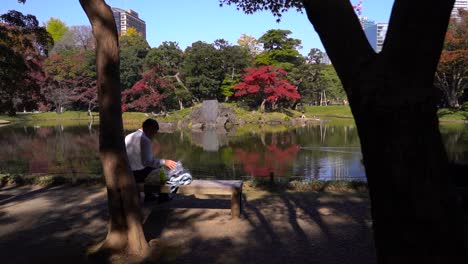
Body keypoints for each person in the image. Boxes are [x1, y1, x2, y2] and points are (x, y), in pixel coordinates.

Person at [125, 118, 177, 202]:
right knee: (161, 172)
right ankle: (163, 197)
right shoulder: (145, 140)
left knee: (150, 169)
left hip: (127, 172)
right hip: (137, 175)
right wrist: (164, 162)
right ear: (150, 129)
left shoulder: (128, 137)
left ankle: (149, 195)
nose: (155, 134)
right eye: (155, 131)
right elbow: (147, 161)